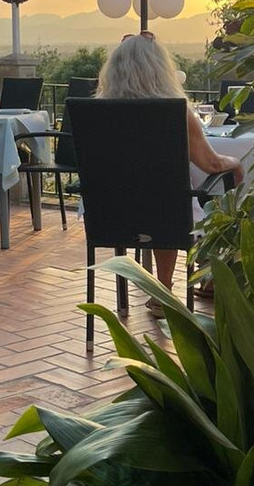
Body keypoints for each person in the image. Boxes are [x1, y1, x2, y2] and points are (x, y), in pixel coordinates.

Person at [96, 32, 244, 316]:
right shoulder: (175, 112)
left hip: (111, 212)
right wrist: (235, 162)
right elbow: (212, 165)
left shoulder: (98, 112)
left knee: (164, 199)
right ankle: (200, 279)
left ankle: (168, 289)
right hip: (165, 213)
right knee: (197, 200)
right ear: (161, 69)